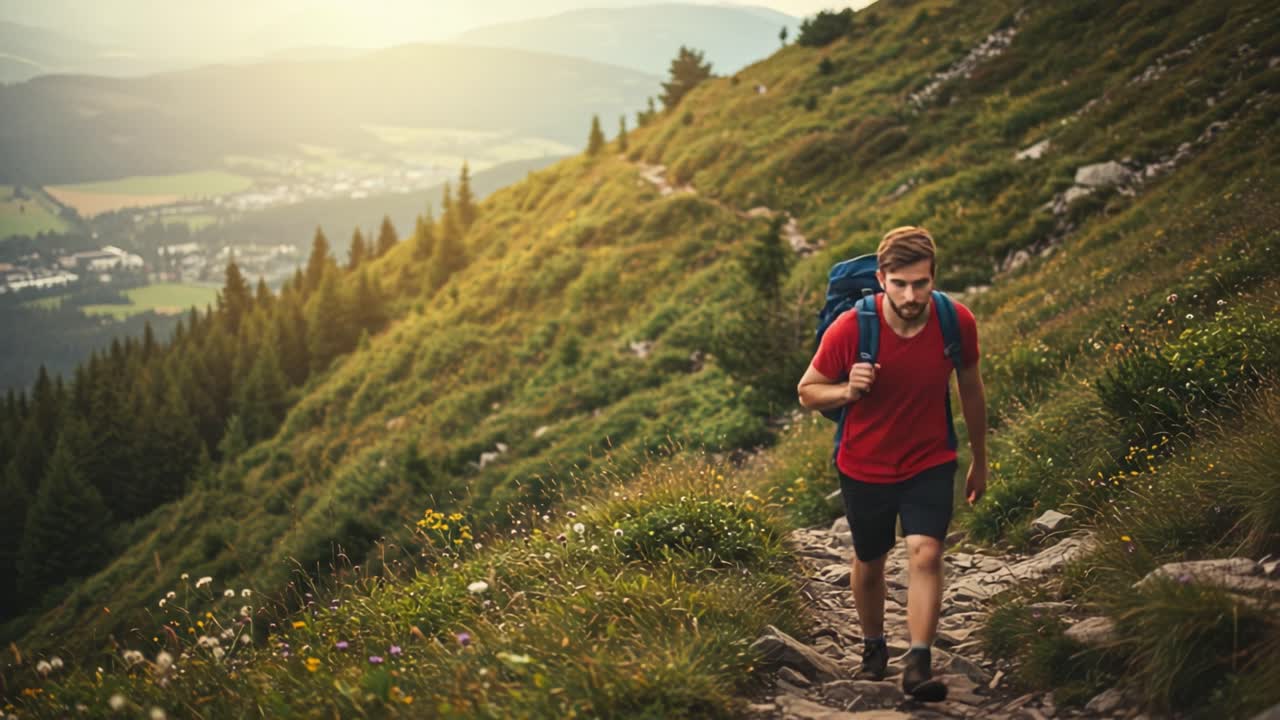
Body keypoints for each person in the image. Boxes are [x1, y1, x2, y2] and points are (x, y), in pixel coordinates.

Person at [796, 226, 987, 702]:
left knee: (926, 553)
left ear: (933, 278)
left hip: (930, 458)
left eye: (920, 283)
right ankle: (873, 645)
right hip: (864, 464)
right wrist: (846, 389)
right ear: (882, 279)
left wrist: (980, 457)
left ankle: (918, 662)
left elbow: (971, 387)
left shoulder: (954, 321)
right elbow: (807, 390)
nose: (910, 294)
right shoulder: (852, 328)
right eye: (899, 283)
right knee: (870, 558)